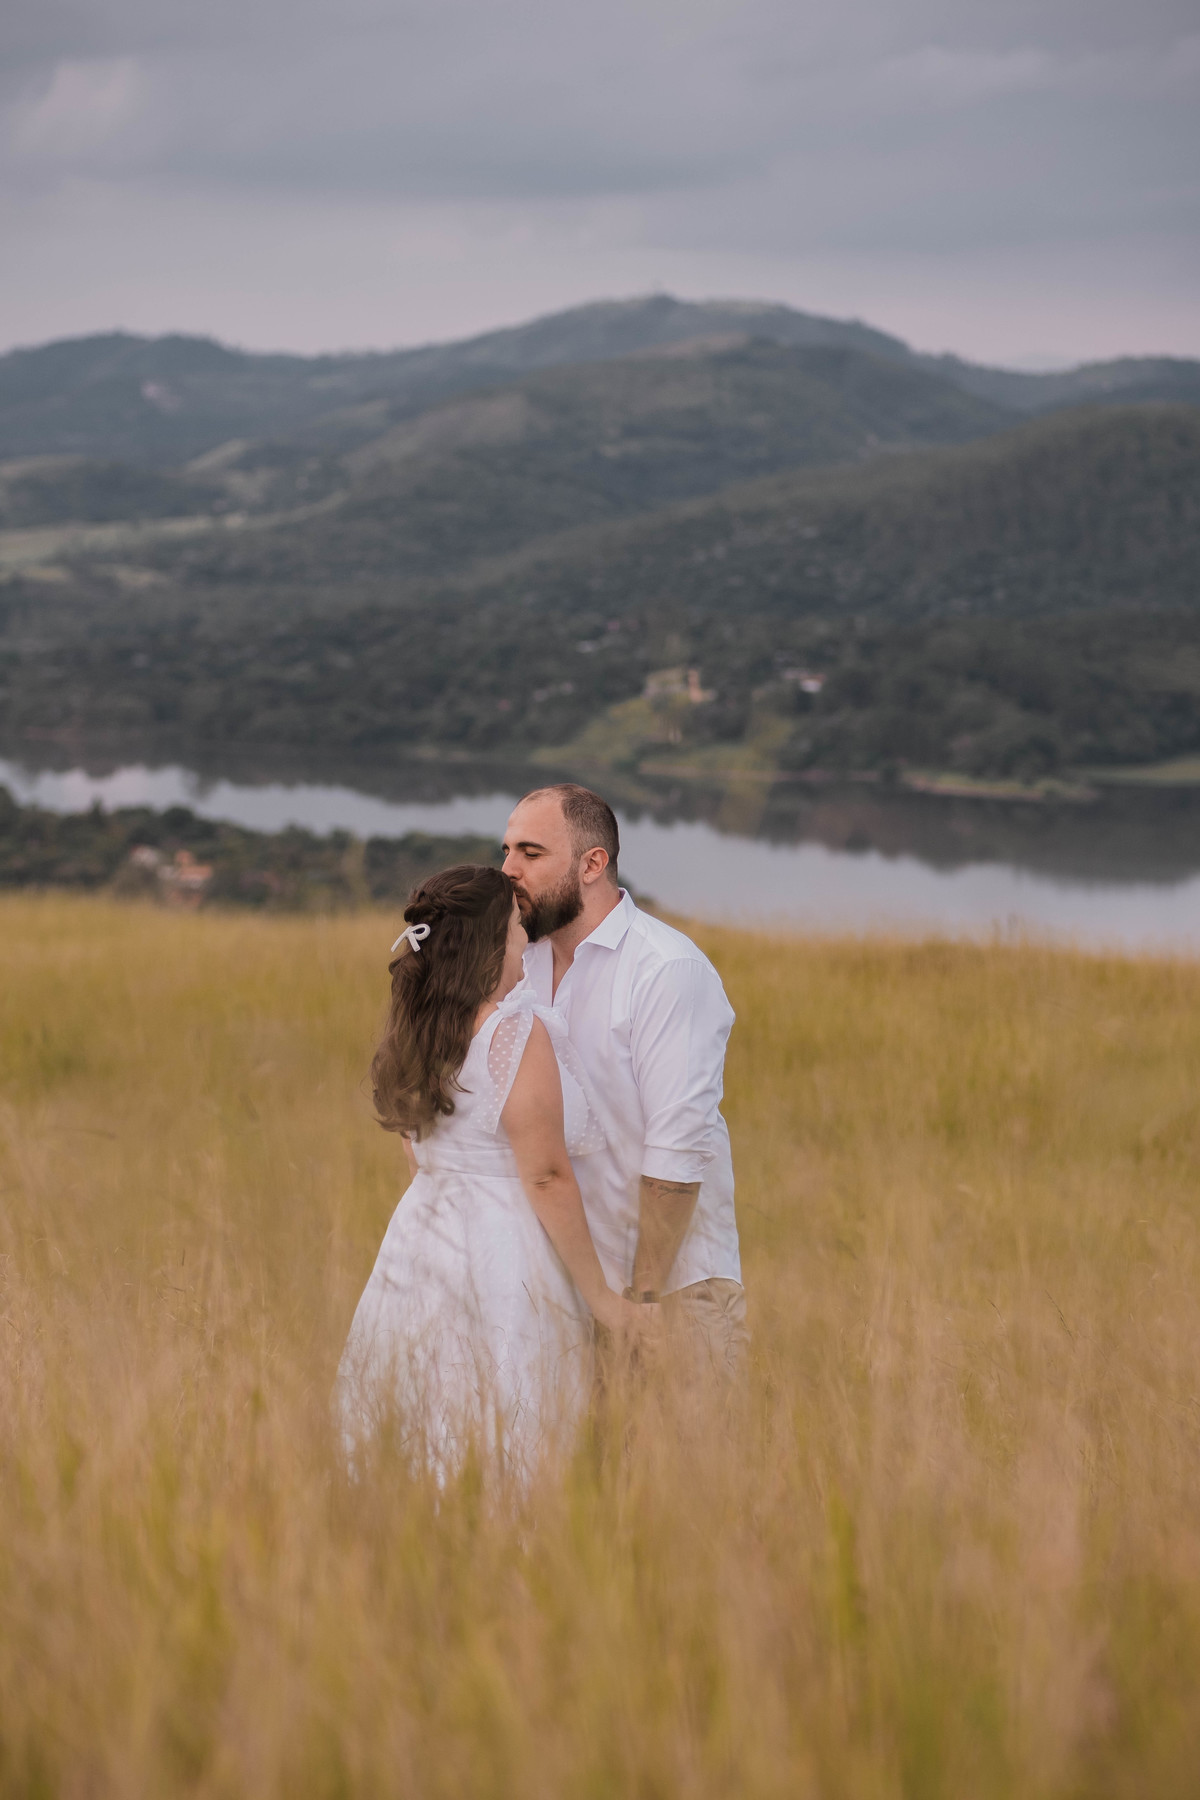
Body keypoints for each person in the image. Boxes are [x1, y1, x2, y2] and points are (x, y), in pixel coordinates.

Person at [334, 863, 643, 1479]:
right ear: (487, 945)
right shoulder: (510, 1031)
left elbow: (415, 1145)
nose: (524, 943)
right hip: (506, 1241)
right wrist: (603, 1298)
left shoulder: (420, 1027)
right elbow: (547, 1174)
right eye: (512, 931)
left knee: (423, 1395)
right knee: (509, 1402)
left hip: (421, 1235)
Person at [502, 785, 747, 1382]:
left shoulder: (666, 969)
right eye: (505, 850)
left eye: (530, 853)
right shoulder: (515, 963)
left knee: (690, 1471)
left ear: (593, 864)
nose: (508, 870)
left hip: (669, 1290)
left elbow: (678, 1153)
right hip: (556, 1285)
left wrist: (639, 1305)